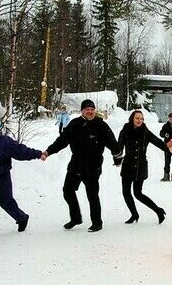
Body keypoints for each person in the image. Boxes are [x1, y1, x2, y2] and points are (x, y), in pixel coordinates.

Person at [44, 99, 122, 232]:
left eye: (92, 109)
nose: (90, 111)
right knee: (68, 191)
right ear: (82, 111)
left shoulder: (101, 126)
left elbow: (112, 143)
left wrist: (117, 158)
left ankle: (97, 222)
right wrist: (48, 151)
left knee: (92, 195)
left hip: (93, 165)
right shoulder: (74, 124)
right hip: (76, 164)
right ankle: (75, 218)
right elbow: (61, 141)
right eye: (87, 109)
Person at [0, 117, 45, 236]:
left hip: (2, 178)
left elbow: (21, 151)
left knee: (6, 202)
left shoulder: (5, 141)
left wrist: (37, 154)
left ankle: (22, 218)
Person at [115, 110, 169, 224]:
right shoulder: (125, 131)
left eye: (141, 119)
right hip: (128, 166)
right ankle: (134, 214)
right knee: (126, 192)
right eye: (137, 118)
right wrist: (117, 158)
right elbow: (119, 146)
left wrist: (171, 150)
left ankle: (158, 211)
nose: (140, 120)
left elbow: (157, 141)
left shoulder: (145, 132)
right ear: (132, 119)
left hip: (140, 166)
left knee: (138, 193)